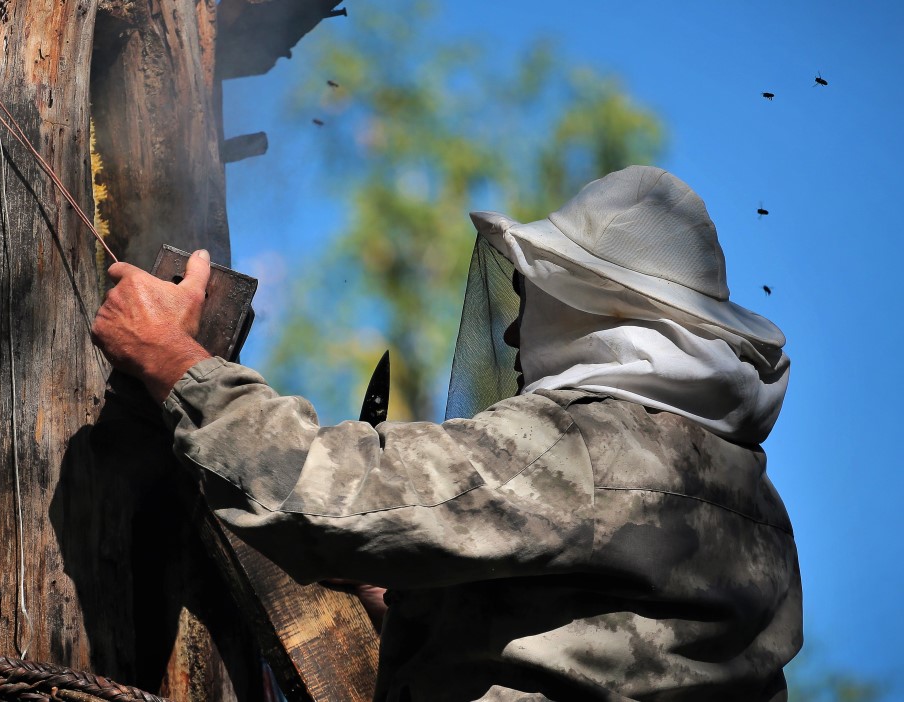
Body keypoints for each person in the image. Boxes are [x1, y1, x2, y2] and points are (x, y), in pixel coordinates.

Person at [92, 166, 802, 701]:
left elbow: (322, 490)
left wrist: (173, 360)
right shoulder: (757, 511)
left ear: (589, 309)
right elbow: (593, 643)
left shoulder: (588, 445)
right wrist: (407, 592)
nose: (516, 331)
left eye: (533, 303)